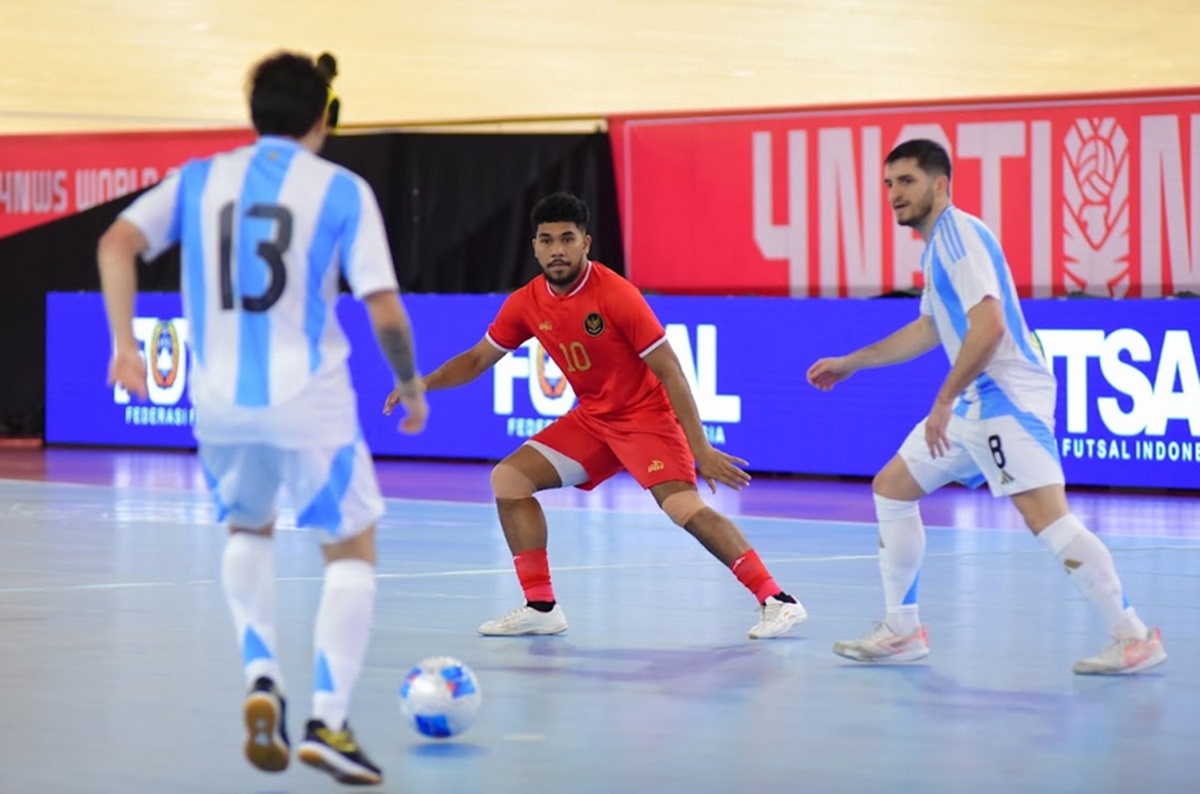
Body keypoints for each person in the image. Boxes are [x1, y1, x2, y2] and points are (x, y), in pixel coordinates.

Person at [97, 51, 428, 785]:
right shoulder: (343, 189)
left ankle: (260, 678)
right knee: (350, 552)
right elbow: (384, 308)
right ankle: (329, 722)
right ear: (324, 118)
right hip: (309, 399)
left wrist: (125, 345)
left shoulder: (199, 178)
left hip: (217, 403)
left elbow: (116, 242)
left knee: (247, 529)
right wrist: (410, 386)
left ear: (254, 114)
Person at [806, 138, 1166, 675]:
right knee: (892, 488)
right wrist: (852, 362)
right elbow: (929, 328)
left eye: (907, 181)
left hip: (1008, 396)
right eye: (888, 184)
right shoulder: (936, 249)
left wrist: (944, 399)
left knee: (1046, 518)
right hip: (980, 399)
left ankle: (1134, 636)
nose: (894, 194)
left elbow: (991, 327)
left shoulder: (959, 237)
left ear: (940, 184)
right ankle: (901, 631)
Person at [404, 192, 806, 639]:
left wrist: (700, 447)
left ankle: (777, 600)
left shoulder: (616, 294)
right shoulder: (525, 302)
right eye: (547, 240)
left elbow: (670, 369)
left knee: (682, 507)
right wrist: (421, 384)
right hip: (594, 420)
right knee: (509, 479)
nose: (557, 249)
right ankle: (541, 606)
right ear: (534, 247)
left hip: (645, 418)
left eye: (567, 239)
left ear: (586, 243)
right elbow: (478, 359)